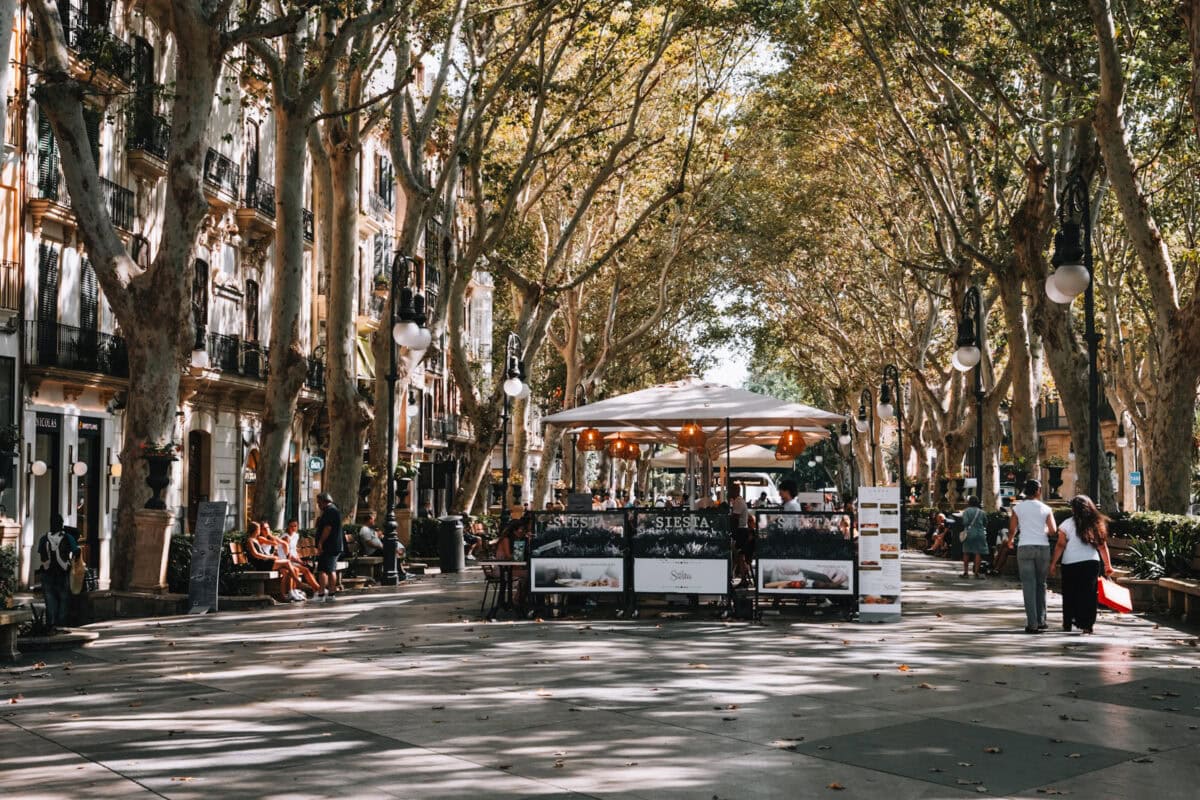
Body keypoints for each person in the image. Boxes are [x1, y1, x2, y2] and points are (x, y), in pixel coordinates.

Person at [1049, 494, 1114, 634]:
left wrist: (1053, 562)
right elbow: (1102, 546)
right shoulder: (1096, 523)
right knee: (1089, 594)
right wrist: (1108, 565)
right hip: (1091, 562)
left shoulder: (1066, 524)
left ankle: (1068, 622)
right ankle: (1087, 624)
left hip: (1070, 562)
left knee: (1070, 593)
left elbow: (1060, 545)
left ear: (1073, 509)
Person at [1009, 479, 1057, 633]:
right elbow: (1053, 530)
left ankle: (1032, 623)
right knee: (1041, 584)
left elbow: (1012, 529)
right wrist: (1043, 531)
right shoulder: (1046, 508)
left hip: (1024, 547)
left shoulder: (1018, 508)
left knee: (1028, 585)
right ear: (1038, 491)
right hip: (1043, 547)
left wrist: (1010, 541)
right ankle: (1042, 620)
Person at [36, 513, 78, 631]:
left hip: (47, 573)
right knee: (63, 600)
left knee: (50, 601)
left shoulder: (44, 539)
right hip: (62, 573)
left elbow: (42, 556)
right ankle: (61, 625)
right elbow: (76, 552)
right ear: (61, 524)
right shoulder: (68, 537)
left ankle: (52, 624)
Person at [314, 492, 343, 602]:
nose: (318, 505)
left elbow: (327, 528)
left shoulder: (330, 511)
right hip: (334, 545)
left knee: (323, 570)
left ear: (324, 501)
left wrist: (320, 542)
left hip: (328, 545)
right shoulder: (334, 510)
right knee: (331, 569)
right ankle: (331, 594)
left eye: (319, 503)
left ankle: (321, 594)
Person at [960, 496, 988, 579]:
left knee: (966, 552)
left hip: (969, 534)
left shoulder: (966, 511)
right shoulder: (982, 512)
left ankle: (966, 572)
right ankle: (976, 572)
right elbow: (985, 523)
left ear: (969, 503)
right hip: (979, 533)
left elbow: (965, 522)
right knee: (978, 553)